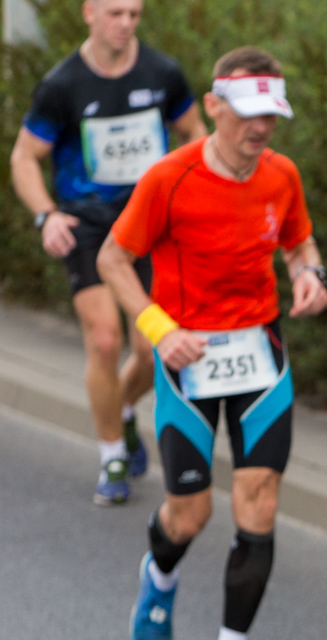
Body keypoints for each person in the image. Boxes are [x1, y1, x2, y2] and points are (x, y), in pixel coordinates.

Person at [97, 46, 327, 640]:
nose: (261, 129)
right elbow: (115, 258)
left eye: (272, 116)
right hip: (186, 357)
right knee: (189, 512)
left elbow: (299, 240)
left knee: (260, 501)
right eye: (249, 115)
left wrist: (309, 273)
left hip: (260, 352)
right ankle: (160, 575)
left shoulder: (281, 174)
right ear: (214, 107)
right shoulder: (169, 179)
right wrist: (158, 331)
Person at [9, 0, 206, 505]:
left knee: (148, 349)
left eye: (135, 14)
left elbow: (195, 132)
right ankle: (112, 454)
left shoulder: (162, 73)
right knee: (103, 340)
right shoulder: (62, 85)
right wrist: (46, 214)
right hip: (89, 225)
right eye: (115, 13)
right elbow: (25, 156)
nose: (125, 24)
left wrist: (193, 191)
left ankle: (118, 407)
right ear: (89, 13)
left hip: (150, 225)